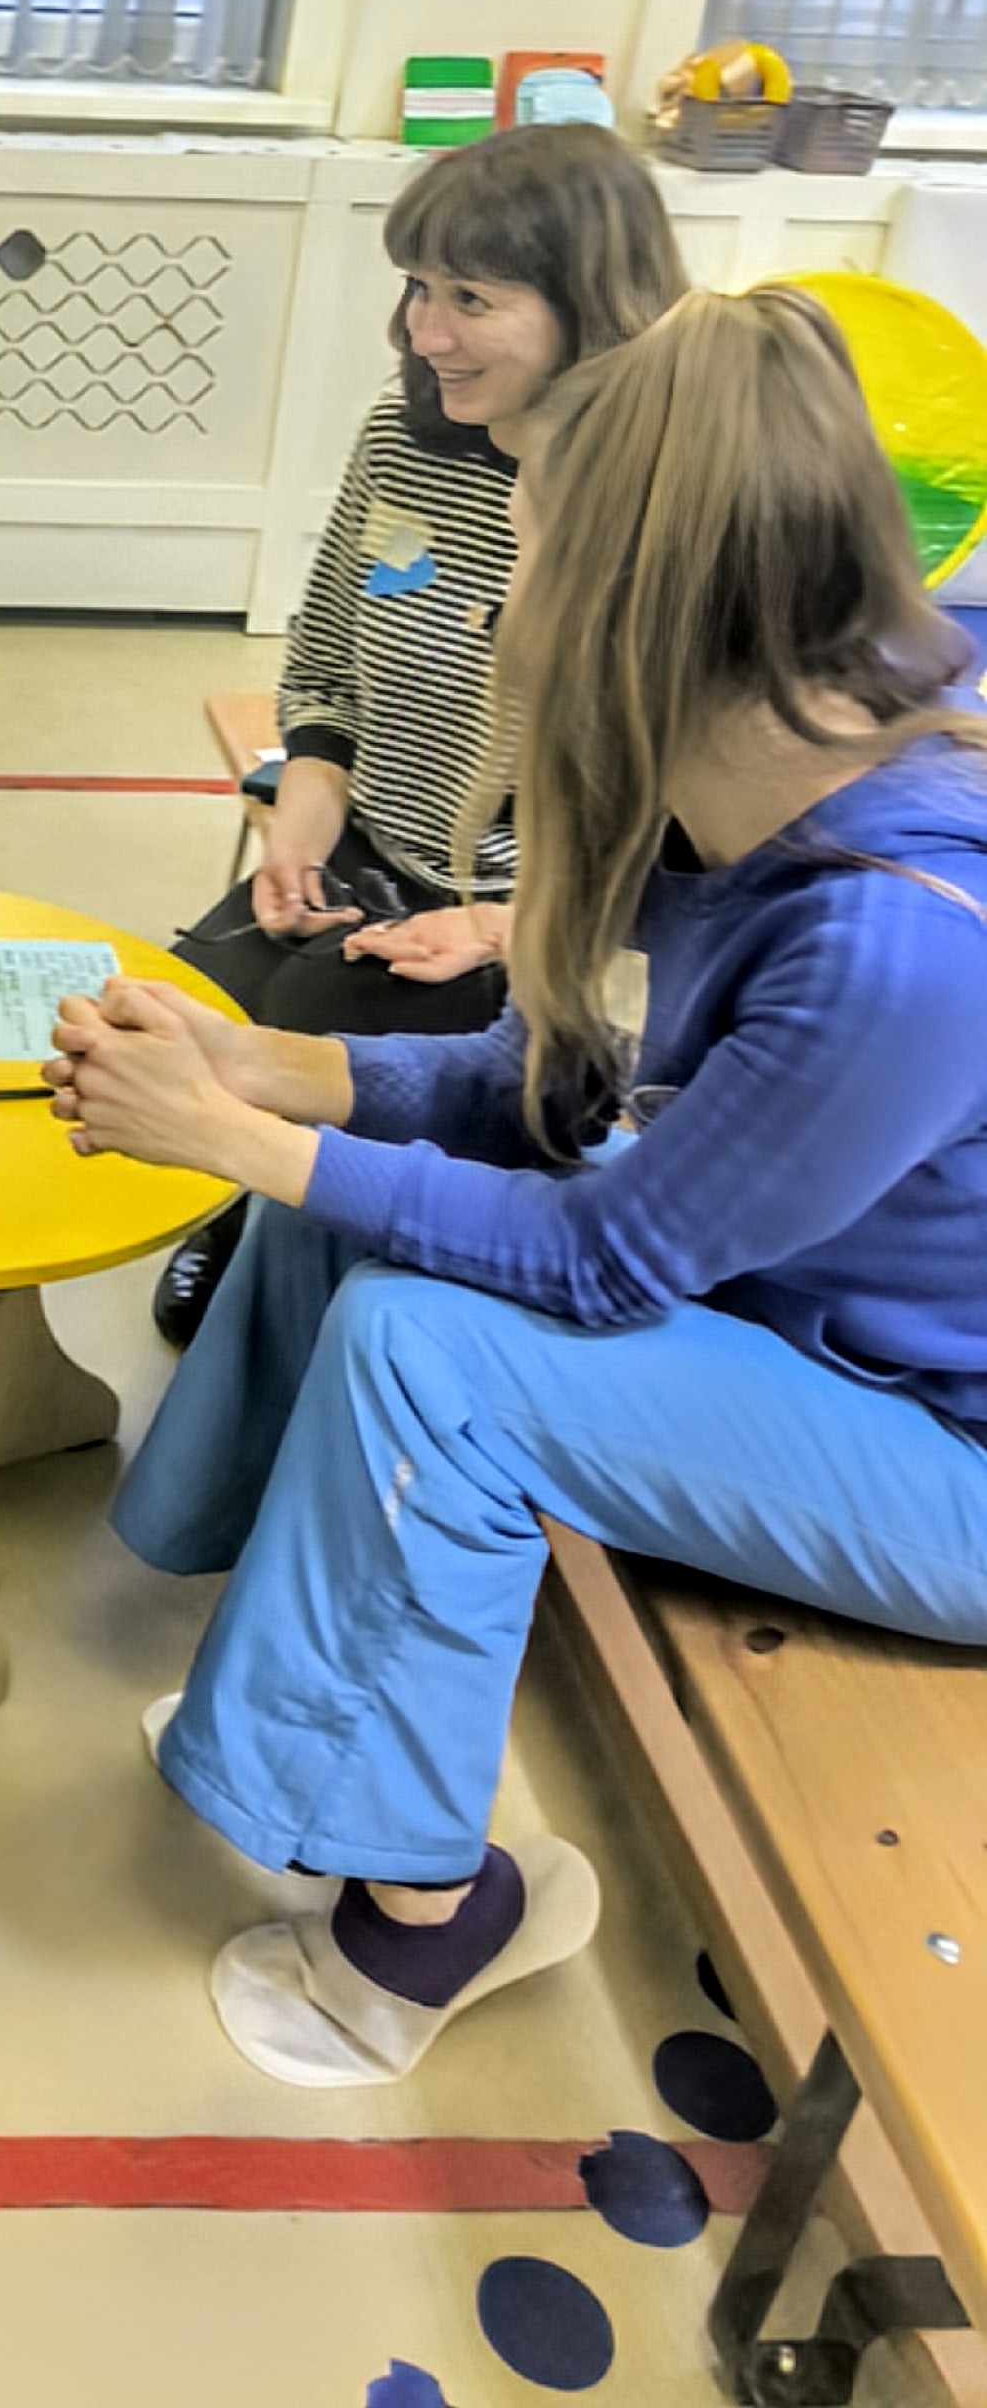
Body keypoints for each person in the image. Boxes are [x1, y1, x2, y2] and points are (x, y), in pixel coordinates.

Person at [50, 289, 987, 2088]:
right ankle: (299, 1667)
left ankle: (422, 1921)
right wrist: (268, 1071)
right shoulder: (757, 755)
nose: (498, 604)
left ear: (642, 607)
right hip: (796, 1289)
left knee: (428, 1353)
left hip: (945, 1451)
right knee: (356, 1196)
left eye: (532, 554)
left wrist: (238, 1142)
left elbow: (607, 1256)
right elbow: (553, 1090)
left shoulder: (896, 940)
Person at [157, 125, 687, 1345]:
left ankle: (269, 1238)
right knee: (187, 996)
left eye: (470, 299)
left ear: (590, 309)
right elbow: (326, 659)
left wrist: (502, 923)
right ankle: (253, 1218)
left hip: (537, 922)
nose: (423, 332)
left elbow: (674, 842)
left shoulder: (649, 506)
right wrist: (303, 820)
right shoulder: (405, 437)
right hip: (378, 857)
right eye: (416, 288)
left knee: (299, 1026)